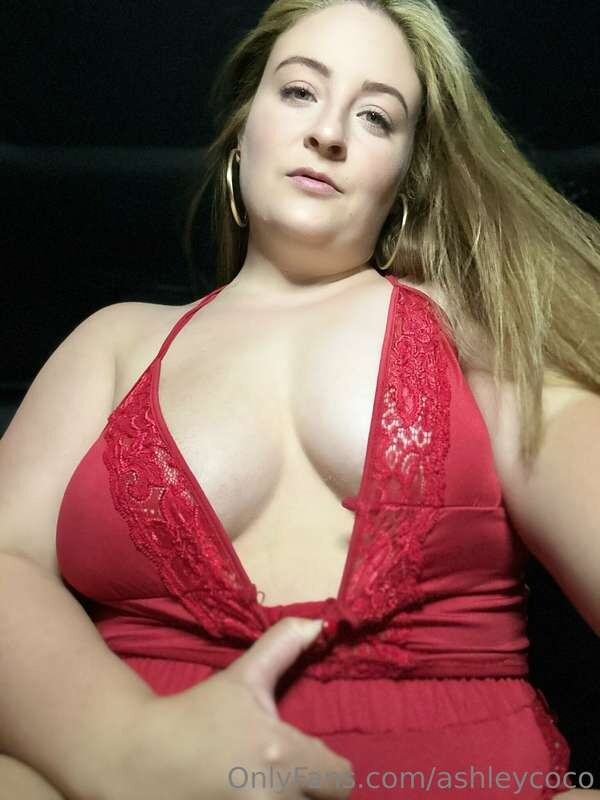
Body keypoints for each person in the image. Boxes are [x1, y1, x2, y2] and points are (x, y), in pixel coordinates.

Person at [1, 0, 599, 798]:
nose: (329, 132)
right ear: (242, 127)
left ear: (406, 176)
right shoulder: (115, 344)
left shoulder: (484, 336)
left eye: (377, 116)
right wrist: (125, 747)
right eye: (299, 91)